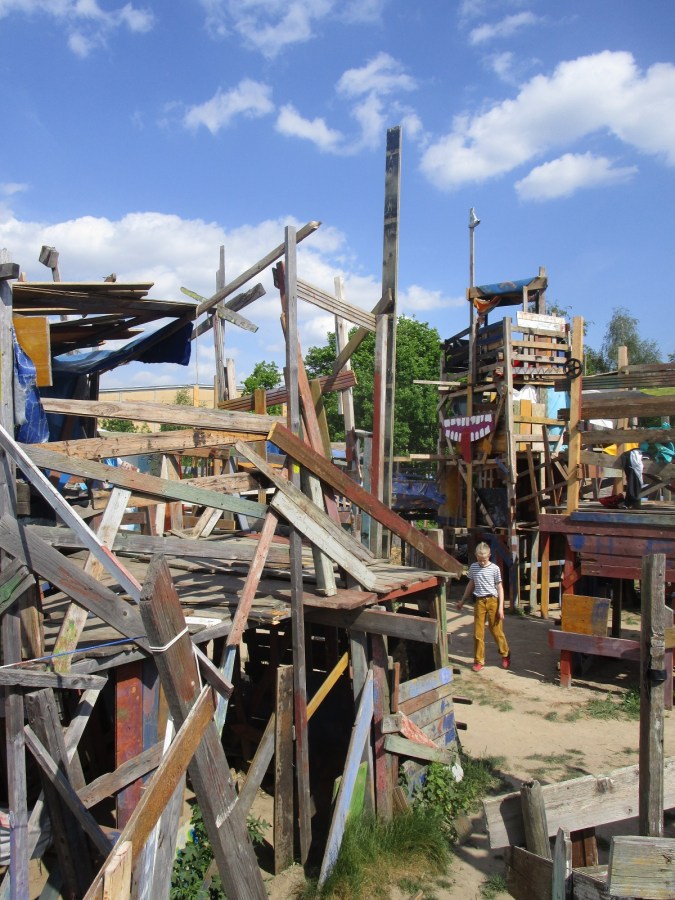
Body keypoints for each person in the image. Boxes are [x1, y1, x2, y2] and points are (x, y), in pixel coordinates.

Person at [457, 542, 510, 672]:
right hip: (479, 601)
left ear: (489, 556)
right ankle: (478, 661)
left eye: (484, 559)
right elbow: (471, 583)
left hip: (493, 600)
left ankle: (505, 653)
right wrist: (463, 600)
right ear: (476, 556)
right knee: (477, 633)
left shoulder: (495, 569)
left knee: (495, 629)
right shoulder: (474, 568)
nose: (481, 562)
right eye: (479, 559)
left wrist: (501, 608)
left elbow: (500, 588)